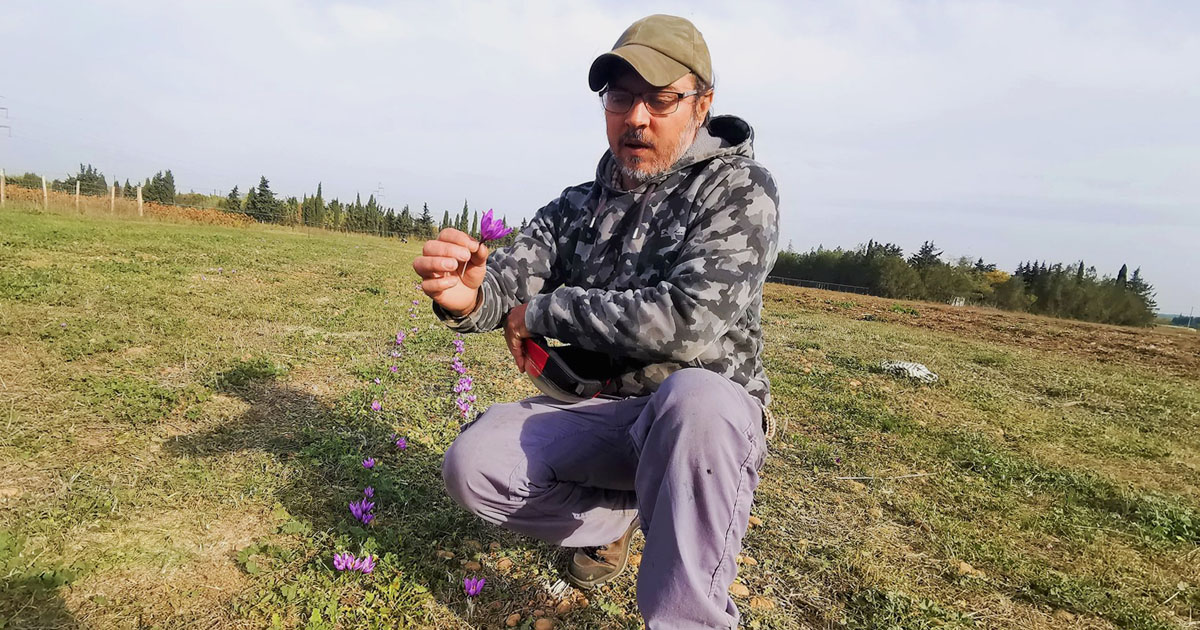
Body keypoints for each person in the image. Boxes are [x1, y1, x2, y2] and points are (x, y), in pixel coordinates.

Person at [413, 14, 780, 629]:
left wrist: (543, 311)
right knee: (474, 466)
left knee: (695, 400)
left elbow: (685, 319)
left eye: (660, 99)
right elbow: (508, 280)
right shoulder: (577, 205)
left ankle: (688, 616)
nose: (636, 117)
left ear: (702, 105)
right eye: (620, 96)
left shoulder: (739, 189)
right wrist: (468, 297)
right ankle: (622, 513)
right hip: (604, 411)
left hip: (700, 420)